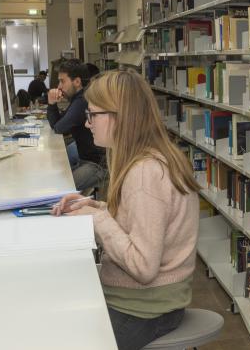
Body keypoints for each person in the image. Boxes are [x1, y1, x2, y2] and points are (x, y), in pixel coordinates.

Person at [52, 70, 199, 350]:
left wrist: (98, 220)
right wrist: (94, 206)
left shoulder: (145, 173)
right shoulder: (155, 158)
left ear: (119, 116)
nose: (87, 123)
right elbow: (144, 218)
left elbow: (143, 267)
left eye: (93, 115)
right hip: (155, 302)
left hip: (144, 310)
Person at [46, 59, 107, 191]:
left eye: (62, 81)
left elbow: (59, 128)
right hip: (85, 157)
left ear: (77, 82)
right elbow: (57, 124)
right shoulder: (77, 99)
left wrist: (51, 104)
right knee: (55, 169)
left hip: (96, 164)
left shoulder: (81, 101)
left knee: (61, 189)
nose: (59, 87)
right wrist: (52, 104)